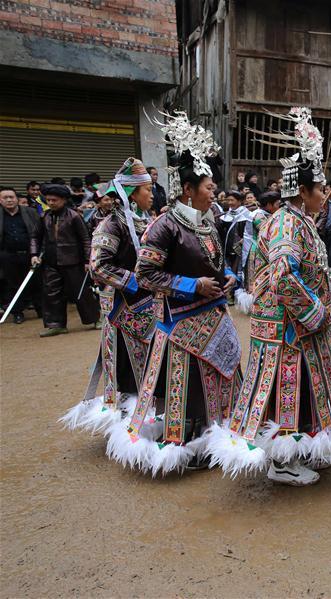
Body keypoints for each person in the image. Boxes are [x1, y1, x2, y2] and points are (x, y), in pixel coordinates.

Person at [208, 107, 331, 485]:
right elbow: (282, 276)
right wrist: (314, 312)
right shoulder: (288, 222)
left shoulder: (297, 219)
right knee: (287, 390)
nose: (325, 194)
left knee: (304, 389)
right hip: (289, 328)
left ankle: (302, 450)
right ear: (302, 191)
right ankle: (282, 461)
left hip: (296, 326)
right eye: (320, 188)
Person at [106, 111, 242, 475]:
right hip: (181, 322)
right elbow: (145, 272)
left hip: (215, 315)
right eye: (209, 187)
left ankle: (218, 437)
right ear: (188, 189)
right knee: (190, 388)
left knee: (221, 379)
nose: (214, 192)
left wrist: (227, 276)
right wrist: (191, 285)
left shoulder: (209, 221)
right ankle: (189, 445)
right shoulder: (164, 226)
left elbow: (216, 263)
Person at [61, 157, 157, 434]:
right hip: (123, 305)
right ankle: (129, 418)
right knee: (126, 361)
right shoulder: (111, 225)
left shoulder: (145, 220)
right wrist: (139, 282)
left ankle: (148, 410)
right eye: (147, 190)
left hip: (147, 304)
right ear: (132, 194)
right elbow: (99, 266)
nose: (151, 194)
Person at [34, 184, 100, 337]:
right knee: (51, 293)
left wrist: (87, 260)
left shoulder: (74, 216)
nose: (51, 203)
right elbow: (35, 237)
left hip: (73, 261)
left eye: (54, 200)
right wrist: (34, 254)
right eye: (48, 200)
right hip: (51, 261)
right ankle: (55, 324)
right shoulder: (44, 216)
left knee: (81, 293)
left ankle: (95, 318)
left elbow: (85, 239)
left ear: (63, 200)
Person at [0, 186, 41, 324]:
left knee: (36, 283)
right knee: (12, 285)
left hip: (31, 254)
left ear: (17, 199)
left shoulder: (30, 212)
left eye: (11, 197)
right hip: (8, 256)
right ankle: (17, 312)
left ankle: (41, 310)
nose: (9, 200)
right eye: (5, 198)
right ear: (0, 200)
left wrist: (37, 252)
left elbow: (39, 232)